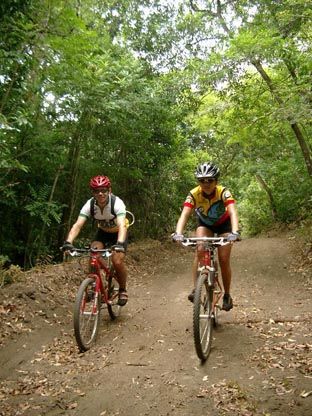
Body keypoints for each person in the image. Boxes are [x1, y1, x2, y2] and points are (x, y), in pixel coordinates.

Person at [172, 162, 240, 311]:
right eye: (202, 180)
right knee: (200, 248)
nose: (206, 183)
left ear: (216, 180)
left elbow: (233, 212)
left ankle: (227, 294)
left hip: (224, 225)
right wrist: (178, 233)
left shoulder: (223, 192)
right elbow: (184, 214)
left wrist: (235, 232)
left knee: (223, 259)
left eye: (210, 180)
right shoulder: (194, 194)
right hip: (205, 224)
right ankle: (196, 288)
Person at [62, 175, 129, 306]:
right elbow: (78, 225)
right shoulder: (90, 204)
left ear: (109, 190)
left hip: (119, 233)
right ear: (92, 192)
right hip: (103, 233)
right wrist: (68, 242)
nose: (100, 194)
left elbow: (122, 225)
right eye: (96, 191)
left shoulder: (117, 203)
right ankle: (94, 284)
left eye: (103, 190)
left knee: (117, 260)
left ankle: (122, 289)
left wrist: (120, 244)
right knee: (93, 252)